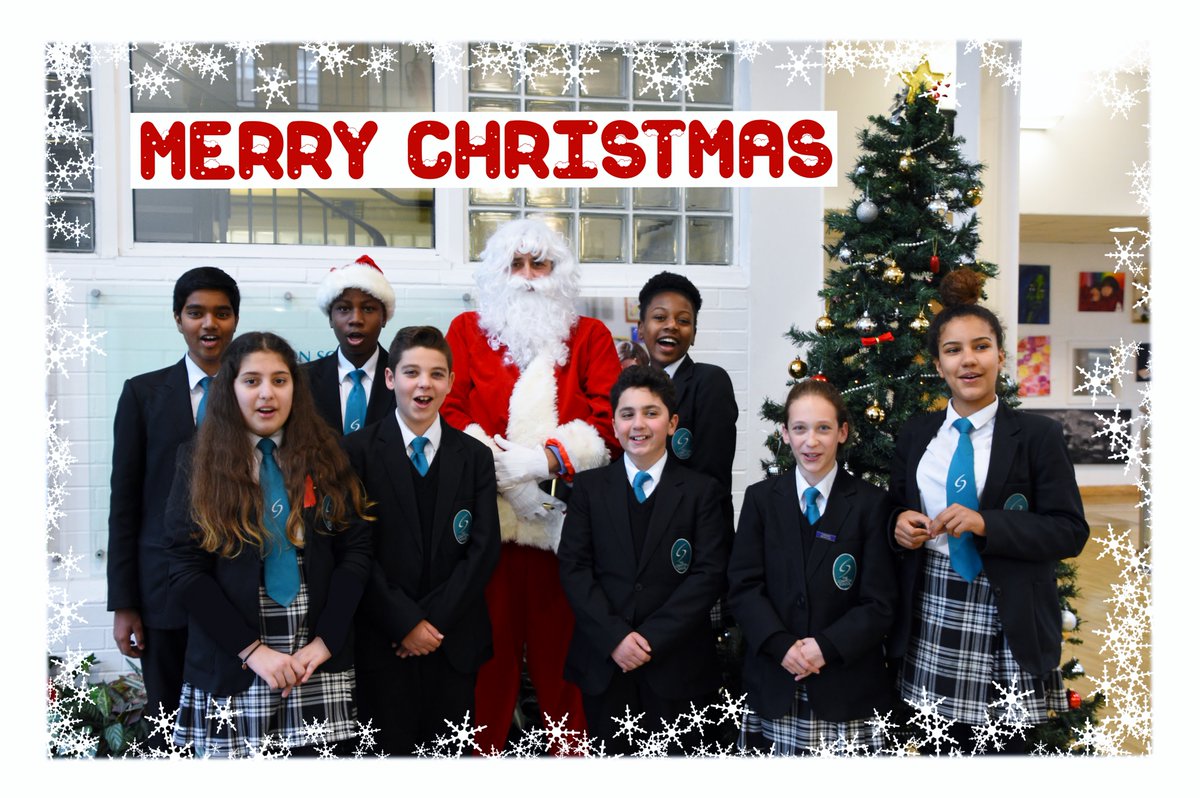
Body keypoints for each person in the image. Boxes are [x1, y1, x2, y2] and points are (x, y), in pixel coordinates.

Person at [889, 271, 1090, 754]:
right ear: (938, 364)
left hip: (1007, 613)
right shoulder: (917, 434)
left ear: (1000, 355)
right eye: (953, 350)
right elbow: (894, 505)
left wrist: (987, 523)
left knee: (1005, 753)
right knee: (941, 747)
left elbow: (1069, 532)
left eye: (980, 346)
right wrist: (897, 523)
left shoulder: (1036, 437)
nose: (968, 360)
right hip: (932, 606)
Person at [442, 217, 622, 753]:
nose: (526, 277)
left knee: (564, 669)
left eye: (538, 264)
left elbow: (609, 420)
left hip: (562, 530)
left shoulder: (589, 336)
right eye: (515, 265)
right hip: (485, 533)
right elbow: (448, 411)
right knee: (486, 670)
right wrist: (500, 467)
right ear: (496, 275)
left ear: (558, 273)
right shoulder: (465, 331)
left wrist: (542, 462)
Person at [164, 332, 372, 757]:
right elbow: (185, 569)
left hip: (315, 658)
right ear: (230, 389)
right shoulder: (197, 460)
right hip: (235, 657)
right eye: (251, 380)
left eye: (280, 380)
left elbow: (356, 550)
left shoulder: (328, 456)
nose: (267, 394)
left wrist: (326, 641)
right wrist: (253, 652)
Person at [344, 326, 501, 755]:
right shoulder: (356, 451)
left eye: (436, 374)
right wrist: (405, 623)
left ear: (450, 382)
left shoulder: (474, 456)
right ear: (391, 378)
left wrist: (431, 624)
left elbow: (483, 548)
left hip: (453, 642)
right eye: (411, 372)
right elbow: (354, 550)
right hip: (383, 643)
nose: (424, 384)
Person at [558, 366, 728, 753]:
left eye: (651, 413)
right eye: (627, 413)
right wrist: (617, 637)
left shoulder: (703, 492)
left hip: (678, 666)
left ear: (672, 423)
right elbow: (575, 569)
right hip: (605, 661)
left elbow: (708, 574)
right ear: (615, 423)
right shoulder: (589, 489)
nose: (639, 424)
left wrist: (649, 640)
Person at [727, 379, 896, 755]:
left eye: (823, 428)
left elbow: (879, 603)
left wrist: (826, 647)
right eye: (800, 429)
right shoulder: (760, 500)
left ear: (843, 432)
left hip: (845, 685)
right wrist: (780, 645)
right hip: (774, 680)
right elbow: (743, 587)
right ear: (784, 434)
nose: (811, 441)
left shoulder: (871, 505)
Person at [107, 266, 239, 725]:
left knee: (232, 727)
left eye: (221, 314)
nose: (209, 324)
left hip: (236, 592)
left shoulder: (257, 396)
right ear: (178, 318)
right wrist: (125, 603)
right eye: (196, 312)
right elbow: (124, 505)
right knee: (168, 727)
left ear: (235, 321)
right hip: (162, 594)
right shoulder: (143, 395)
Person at [636, 271, 737, 530]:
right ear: (641, 329)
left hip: (695, 533)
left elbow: (711, 477)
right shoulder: (630, 389)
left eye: (683, 320)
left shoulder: (710, 382)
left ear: (693, 334)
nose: (671, 325)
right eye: (659, 317)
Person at [305, 254, 397, 435]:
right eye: (344, 309)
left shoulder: (403, 378)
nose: (356, 319)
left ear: (384, 317)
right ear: (330, 318)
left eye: (368, 309)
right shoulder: (303, 379)